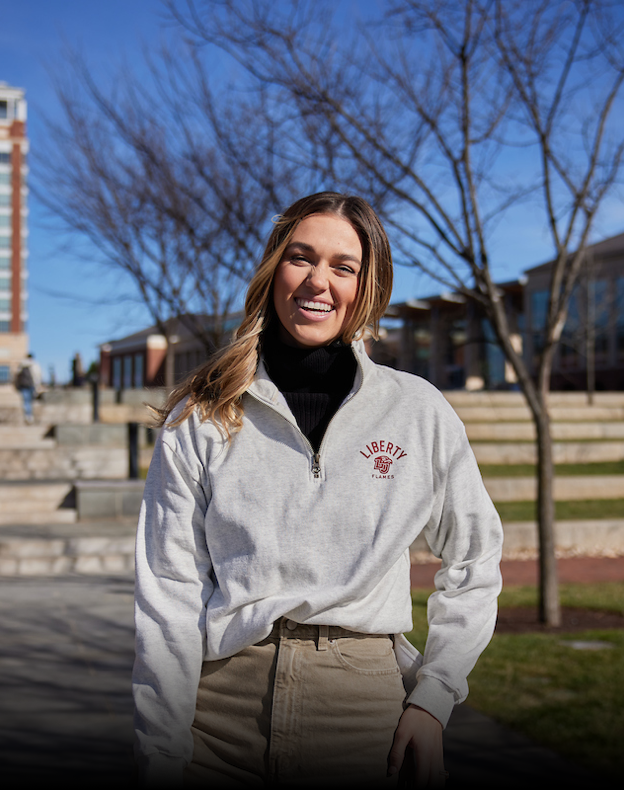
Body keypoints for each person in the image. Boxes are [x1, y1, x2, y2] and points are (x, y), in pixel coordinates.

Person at [132, 192, 503, 789]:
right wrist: (161, 749)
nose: (318, 281)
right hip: (219, 713)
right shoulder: (201, 416)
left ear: (368, 287)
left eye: (343, 266)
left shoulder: (416, 412)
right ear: (273, 268)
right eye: (300, 257)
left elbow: (475, 559)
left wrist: (433, 698)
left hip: (362, 716)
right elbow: (169, 593)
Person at [14, 353, 42, 424]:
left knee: (26, 401)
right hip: (32, 385)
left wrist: (16, 386)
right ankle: (30, 416)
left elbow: (16, 376)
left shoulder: (21, 365)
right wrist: (38, 385)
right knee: (30, 401)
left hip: (23, 386)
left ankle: (27, 415)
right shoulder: (35, 365)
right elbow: (38, 375)